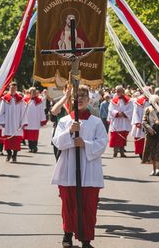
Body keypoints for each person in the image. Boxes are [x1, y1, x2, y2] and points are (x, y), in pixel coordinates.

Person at [51, 85, 107, 248]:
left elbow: (102, 143)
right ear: (72, 100)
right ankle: (67, 235)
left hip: (89, 170)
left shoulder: (96, 122)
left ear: (89, 99)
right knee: (69, 204)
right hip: (68, 169)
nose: (80, 98)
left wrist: (85, 144)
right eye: (77, 96)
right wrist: (69, 131)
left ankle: (86, 239)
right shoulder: (65, 121)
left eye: (83, 95)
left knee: (88, 206)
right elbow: (57, 143)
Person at [0, 82, 27, 162]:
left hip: (17, 123)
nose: (13, 89)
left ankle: (14, 155)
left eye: (14, 88)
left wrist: (23, 122)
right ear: (9, 88)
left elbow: (23, 112)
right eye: (11, 88)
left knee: (16, 141)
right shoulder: (5, 99)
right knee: (7, 141)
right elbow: (1, 111)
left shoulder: (20, 99)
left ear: (16, 89)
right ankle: (9, 154)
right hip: (8, 123)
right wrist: (2, 122)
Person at [142, 95, 159, 175]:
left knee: (158, 150)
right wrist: (149, 128)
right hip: (150, 133)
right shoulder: (147, 109)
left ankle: (157, 169)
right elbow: (144, 121)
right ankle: (153, 169)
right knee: (151, 151)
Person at [108, 85, 133, 157]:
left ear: (123, 91)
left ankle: (122, 152)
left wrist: (124, 113)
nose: (118, 92)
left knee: (123, 137)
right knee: (115, 137)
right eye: (117, 91)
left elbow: (131, 109)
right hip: (116, 121)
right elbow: (110, 109)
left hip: (124, 122)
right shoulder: (113, 100)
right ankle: (115, 152)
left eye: (119, 91)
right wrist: (117, 113)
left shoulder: (129, 100)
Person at [51, 85, 72, 161]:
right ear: (64, 90)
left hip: (73, 136)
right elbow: (54, 112)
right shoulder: (58, 101)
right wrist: (66, 97)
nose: (70, 91)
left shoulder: (78, 102)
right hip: (60, 135)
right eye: (68, 89)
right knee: (59, 161)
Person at [23, 87, 47, 153]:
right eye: (32, 92)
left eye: (34, 92)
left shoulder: (39, 101)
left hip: (36, 121)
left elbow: (42, 111)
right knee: (29, 135)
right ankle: (30, 147)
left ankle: (34, 147)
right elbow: (22, 111)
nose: (33, 93)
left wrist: (43, 120)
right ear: (29, 93)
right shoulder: (25, 100)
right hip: (28, 120)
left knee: (35, 135)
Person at [131, 93, 149, 160]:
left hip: (150, 123)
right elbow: (135, 112)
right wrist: (137, 122)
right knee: (140, 139)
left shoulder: (152, 101)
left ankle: (148, 155)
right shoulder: (138, 102)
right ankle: (141, 154)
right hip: (140, 123)